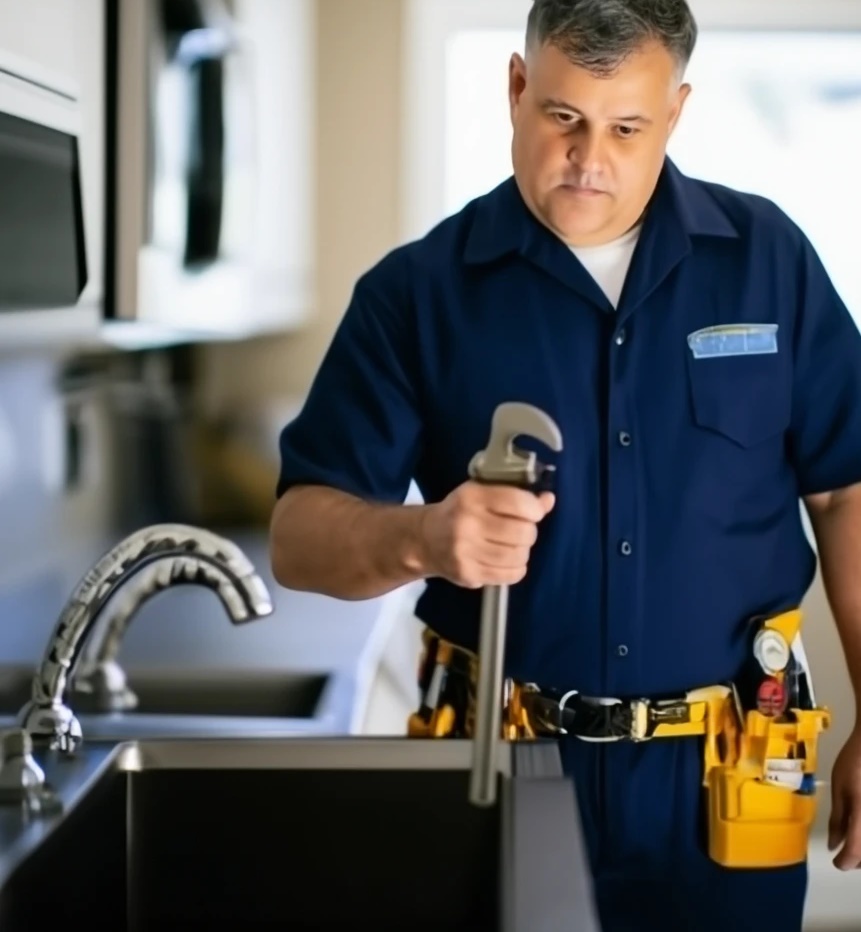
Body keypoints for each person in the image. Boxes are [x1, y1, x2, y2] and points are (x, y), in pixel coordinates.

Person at [269, 0, 861, 927]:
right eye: (562, 117)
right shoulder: (416, 294)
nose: (590, 159)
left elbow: (845, 492)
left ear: (675, 112)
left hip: (729, 779)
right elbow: (300, 537)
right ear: (516, 88)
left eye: (627, 127)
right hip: (498, 771)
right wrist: (423, 535)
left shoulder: (768, 261)